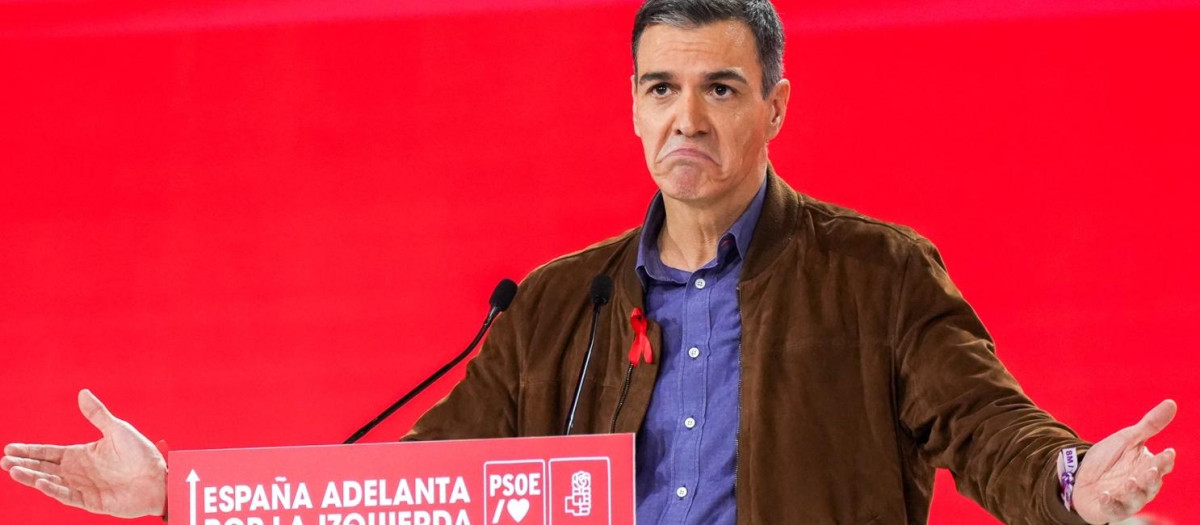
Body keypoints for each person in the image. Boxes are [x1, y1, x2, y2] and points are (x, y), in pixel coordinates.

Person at [2, 1, 1177, 523]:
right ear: (630, 108)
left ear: (775, 106)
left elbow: (988, 430)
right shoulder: (559, 305)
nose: (690, 120)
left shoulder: (876, 276)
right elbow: (411, 489)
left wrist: (1077, 482)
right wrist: (184, 497)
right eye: (664, 90)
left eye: (722, 89)